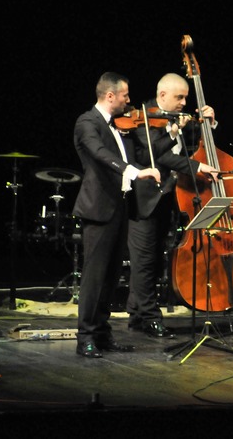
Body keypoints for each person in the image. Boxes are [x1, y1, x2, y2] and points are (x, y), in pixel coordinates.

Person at [72, 72, 161, 358]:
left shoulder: (118, 127)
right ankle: (85, 336)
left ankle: (102, 333)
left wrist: (171, 135)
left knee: (111, 277)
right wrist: (133, 171)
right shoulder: (87, 122)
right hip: (98, 209)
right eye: (125, 95)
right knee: (95, 276)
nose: (129, 100)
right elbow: (99, 153)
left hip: (120, 207)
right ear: (110, 95)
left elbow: (138, 155)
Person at [126, 73, 219, 338]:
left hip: (170, 198)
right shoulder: (142, 117)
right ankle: (150, 317)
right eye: (179, 97)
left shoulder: (178, 118)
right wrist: (197, 166)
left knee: (154, 260)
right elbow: (158, 155)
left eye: (186, 98)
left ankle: (137, 313)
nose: (184, 103)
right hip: (145, 201)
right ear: (162, 95)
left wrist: (208, 123)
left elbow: (195, 145)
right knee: (144, 261)